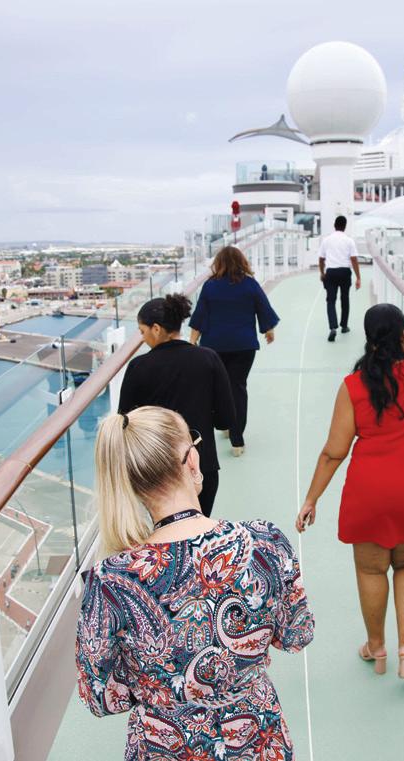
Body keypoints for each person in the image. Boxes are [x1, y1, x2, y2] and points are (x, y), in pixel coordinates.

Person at [77, 406, 314, 761]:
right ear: (191, 460)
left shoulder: (111, 579)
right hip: (256, 740)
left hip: (163, 747)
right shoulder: (264, 541)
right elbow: (297, 634)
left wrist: (157, 683)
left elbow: (100, 697)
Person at [295, 303, 404, 679]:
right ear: (403, 335)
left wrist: (311, 498)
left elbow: (334, 451)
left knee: (372, 570)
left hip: (370, 492)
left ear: (368, 337)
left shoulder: (355, 386)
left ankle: (377, 647)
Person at [119, 294, 236, 516]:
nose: (143, 338)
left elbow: (125, 424)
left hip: (157, 471)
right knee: (200, 527)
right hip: (202, 467)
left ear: (156, 329)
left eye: (142, 331)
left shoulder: (139, 367)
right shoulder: (208, 358)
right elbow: (225, 419)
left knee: (167, 531)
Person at [189, 246, 280, 457]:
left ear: (218, 263)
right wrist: (268, 330)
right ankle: (237, 440)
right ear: (242, 262)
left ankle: (224, 424)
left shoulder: (210, 286)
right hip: (244, 346)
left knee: (217, 388)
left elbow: (200, 315)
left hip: (214, 348)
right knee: (237, 388)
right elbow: (263, 307)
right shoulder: (250, 284)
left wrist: (192, 341)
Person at [318, 215, 362, 342]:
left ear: (334, 225)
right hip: (344, 272)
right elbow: (354, 259)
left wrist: (322, 272)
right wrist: (358, 277)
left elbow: (321, 259)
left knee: (330, 300)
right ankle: (344, 326)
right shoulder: (349, 241)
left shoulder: (326, 240)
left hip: (331, 272)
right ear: (345, 226)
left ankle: (333, 327)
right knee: (345, 298)